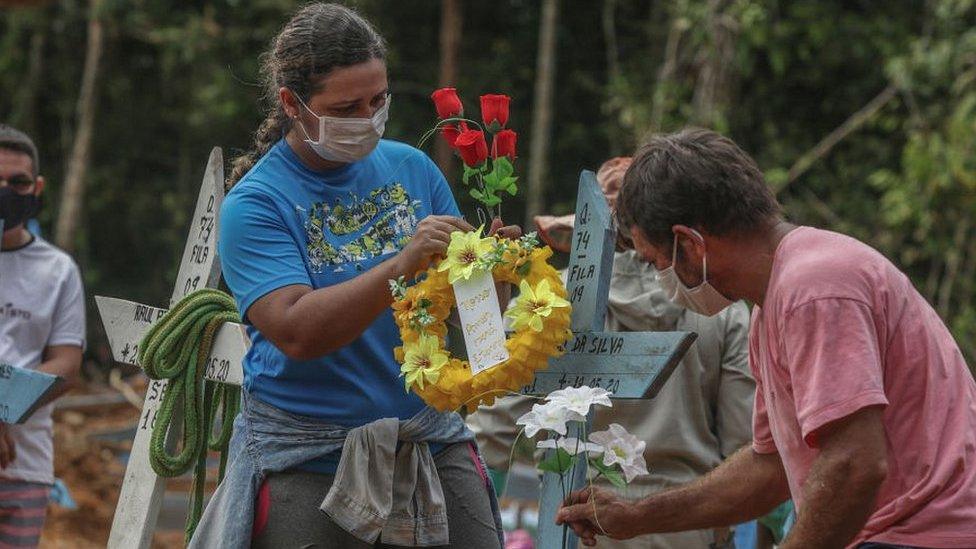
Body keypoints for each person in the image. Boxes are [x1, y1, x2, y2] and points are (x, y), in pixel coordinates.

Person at [557, 128, 976, 548]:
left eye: (655, 262)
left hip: (923, 535)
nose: (658, 278)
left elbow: (854, 465)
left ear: (689, 243)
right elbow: (769, 468)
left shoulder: (813, 287)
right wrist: (637, 516)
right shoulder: (771, 305)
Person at [191, 4, 513, 548]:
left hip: (428, 438)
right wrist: (399, 265)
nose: (367, 117)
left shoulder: (414, 169)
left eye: (378, 100)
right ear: (293, 104)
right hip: (311, 453)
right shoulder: (256, 204)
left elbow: (475, 325)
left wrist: (493, 275)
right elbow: (296, 331)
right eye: (346, 107)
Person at [468, 157, 757, 549]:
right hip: (685, 524)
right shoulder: (718, 307)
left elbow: (491, 432)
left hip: (573, 521)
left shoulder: (547, 302)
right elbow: (745, 442)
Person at [0, 124, 86, 548]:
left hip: (25, 465)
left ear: (36, 187)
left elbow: (65, 366)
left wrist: (2, 414)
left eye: (16, 182)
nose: (6, 191)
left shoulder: (58, 270)